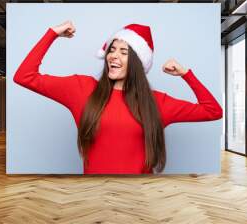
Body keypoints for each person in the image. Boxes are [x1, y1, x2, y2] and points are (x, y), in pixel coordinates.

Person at [13, 21, 223, 174]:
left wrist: (186, 74)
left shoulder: (156, 103)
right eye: (112, 50)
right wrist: (52, 33)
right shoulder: (82, 89)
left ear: (138, 62)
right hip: (94, 199)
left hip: (141, 200)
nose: (114, 55)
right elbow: (24, 76)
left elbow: (213, 111)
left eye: (124, 52)